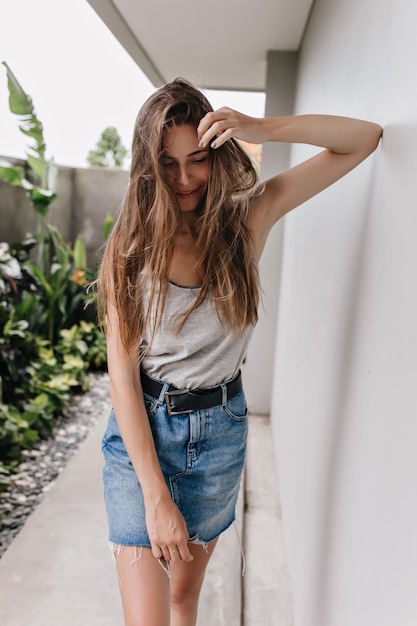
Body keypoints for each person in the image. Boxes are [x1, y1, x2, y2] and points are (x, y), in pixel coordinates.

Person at [95, 77, 382, 626]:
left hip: (219, 434)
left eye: (197, 159)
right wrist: (156, 497)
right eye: (168, 163)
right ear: (147, 165)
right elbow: (123, 381)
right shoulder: (130, 250)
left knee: (184, 601)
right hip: (141, 441)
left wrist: (262, 130)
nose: (184, 179)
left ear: (218, 151)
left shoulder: (247, 220)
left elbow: (363, 138)